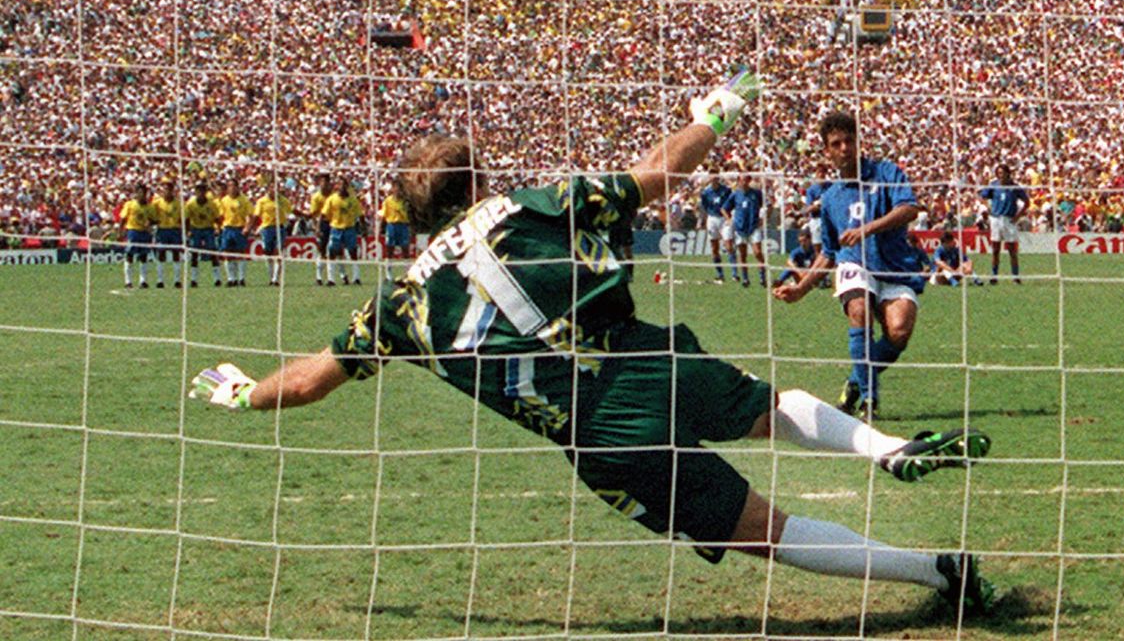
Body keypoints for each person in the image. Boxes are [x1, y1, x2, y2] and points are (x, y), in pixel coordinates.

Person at [188, 72, 1003, 618]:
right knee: (771, 408)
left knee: (761, 526)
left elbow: (307, 384)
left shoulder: (399, 304)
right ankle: (885, 447)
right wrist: (712, 115)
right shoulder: (527, 206)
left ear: (417, 215)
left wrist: (244, 390)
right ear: (477, 186)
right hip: (637, 356)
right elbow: (655, 173)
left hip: (593, 432)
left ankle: (935, 572)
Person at [774, 111, 928, 421]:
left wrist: (867, 229)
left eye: (849, 141)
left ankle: (857, 382)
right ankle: (871, 401)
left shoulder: (886, 172)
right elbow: (829, 253)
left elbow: (910, 209)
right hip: (854, 265)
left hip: (894, 267)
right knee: (859, 311)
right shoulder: (830, 198)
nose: (844, 148)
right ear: (827, 151)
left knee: (898, 333)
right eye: (836, 144)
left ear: (858, 142)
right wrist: (801, 289)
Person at [978, 166, 1029, 284]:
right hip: (996, 219)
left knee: (1012, 250)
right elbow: (983, 196)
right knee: (995, 250)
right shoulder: (993, 185)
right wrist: (988, 206)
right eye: (998, 173)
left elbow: (1027, 202)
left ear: (1007, 173)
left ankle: (1015, 277)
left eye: (1002, 172)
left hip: (1009, 220)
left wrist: (1018, 216)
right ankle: (994, 275)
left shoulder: (1014, 187)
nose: (1000, 175)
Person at [321, 176, 364, 285]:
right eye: (340, 184)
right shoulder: (332, 199)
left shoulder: (353, 199)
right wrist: (319, 228)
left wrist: (364, 228)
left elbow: (360, 214)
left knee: (353, 251)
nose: (342, 187)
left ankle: (356, 277)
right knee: (332, 252)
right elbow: (323, 214)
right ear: (336, 186)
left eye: (344, 185)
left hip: (349, 228)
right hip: (336, 228)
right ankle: (331, 279)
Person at [728, 173, 768, 288]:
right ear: (739, 181)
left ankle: (762, 277)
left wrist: (763, 218)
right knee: (743, 254)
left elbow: (767, 205)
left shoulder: (756, 193)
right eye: (741, 180)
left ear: (749, 181)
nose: (743, 182)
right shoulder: (735, 195)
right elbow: (725, 208)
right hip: (740, 228)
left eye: (746, 180)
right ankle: (745, 278)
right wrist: (729, 220)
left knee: (757, 252)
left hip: (753, 227)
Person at [252, 182, 294, 286]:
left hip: (279, 227)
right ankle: (271, 276)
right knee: (268, 253)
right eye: (272, 188)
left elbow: (291, 210)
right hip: (267, 228)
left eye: (276, 188)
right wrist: (253, 228)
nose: (275, 190)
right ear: (268, 189)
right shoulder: (262, 201)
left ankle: (276, 279)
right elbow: (256, 215)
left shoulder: (283, 200)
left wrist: (304, 215)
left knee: (279, 252)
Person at [184, 179, 222, 287]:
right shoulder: (191, 204)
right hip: (196, 229)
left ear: (206, 192)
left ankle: (217, 278)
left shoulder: (211, 204)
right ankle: (194, 279)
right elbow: (186, 219)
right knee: (195, 254)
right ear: (195, 192)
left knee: (212, 252)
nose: (200, 193)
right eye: (198, 190)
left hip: (208, 229)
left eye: (202, 190)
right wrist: (188, 231)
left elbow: (217, 218)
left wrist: (218, 228)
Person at [698, 174, 736, 283]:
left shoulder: (726, 190)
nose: (713, 178)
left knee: (729, 246)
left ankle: (734, 273)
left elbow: (732, 203)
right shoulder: (706, 192)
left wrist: (730, 216)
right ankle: (720, 274)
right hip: (712, 219)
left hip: (724, 219)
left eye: (715, 176)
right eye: (711, 176)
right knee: (714, 248)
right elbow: (704, 207)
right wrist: (702, 220)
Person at [117, 182, 154, 289]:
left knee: (143, 256)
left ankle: (143, 281)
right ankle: (128, 281)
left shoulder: (149, 206)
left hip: (144, 232)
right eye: (140, 192)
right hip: (133, 232)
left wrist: (150, 223)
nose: (142, 195)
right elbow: (123, 219)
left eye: (144, 193)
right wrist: (120, 232)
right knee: (130, 255)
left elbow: (154, 219)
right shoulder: (130, 204)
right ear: (136, 193)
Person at [217, 179, 253, 287]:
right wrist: (219, 227)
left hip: (239, 228)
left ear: (237, 187)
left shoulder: (244, 200)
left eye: (233, 185)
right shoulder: (224, 200)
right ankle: (231, 278)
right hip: (227, 228)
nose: (231, 188)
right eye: (229, 186)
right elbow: (220, 216)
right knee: (227, 254)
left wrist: (247, 228)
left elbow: (250, 216)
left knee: (240, 254)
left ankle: (241, 278)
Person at [151, 181, 184, 288]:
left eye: (169, 189)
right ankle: (160, 280)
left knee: (176, 254)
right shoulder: (156, 203)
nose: (166, 192)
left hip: (174, 230)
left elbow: (182, 218)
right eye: (164, 189)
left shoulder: (178, 203)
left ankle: (177, 280)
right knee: (161, 254)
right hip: (162, 230)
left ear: (172, 191)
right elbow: (152, 217)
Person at [307, 173, 335, 286]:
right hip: (322, 224)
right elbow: (313, 214)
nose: (323, 185)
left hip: (334, 224)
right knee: (322, 250)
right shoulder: (316, 197)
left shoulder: (334, 196)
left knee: (334, 250)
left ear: (329, 183)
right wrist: (315, 227)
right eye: (321, 182)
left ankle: (334, 277)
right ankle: (319, 277)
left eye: (325, 182)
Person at [378, 180, 412, 269]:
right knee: (389, 249)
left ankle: (407, 271)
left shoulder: (405, 201)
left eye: (399, 188)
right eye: (396, 188)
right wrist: (381, 228)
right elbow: (384, 215)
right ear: (392, 189)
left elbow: (410, 215)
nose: (397, 190)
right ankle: (388, 273)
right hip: (392, 226)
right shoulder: (388, 201)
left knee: (405, 249)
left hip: (403, 226)